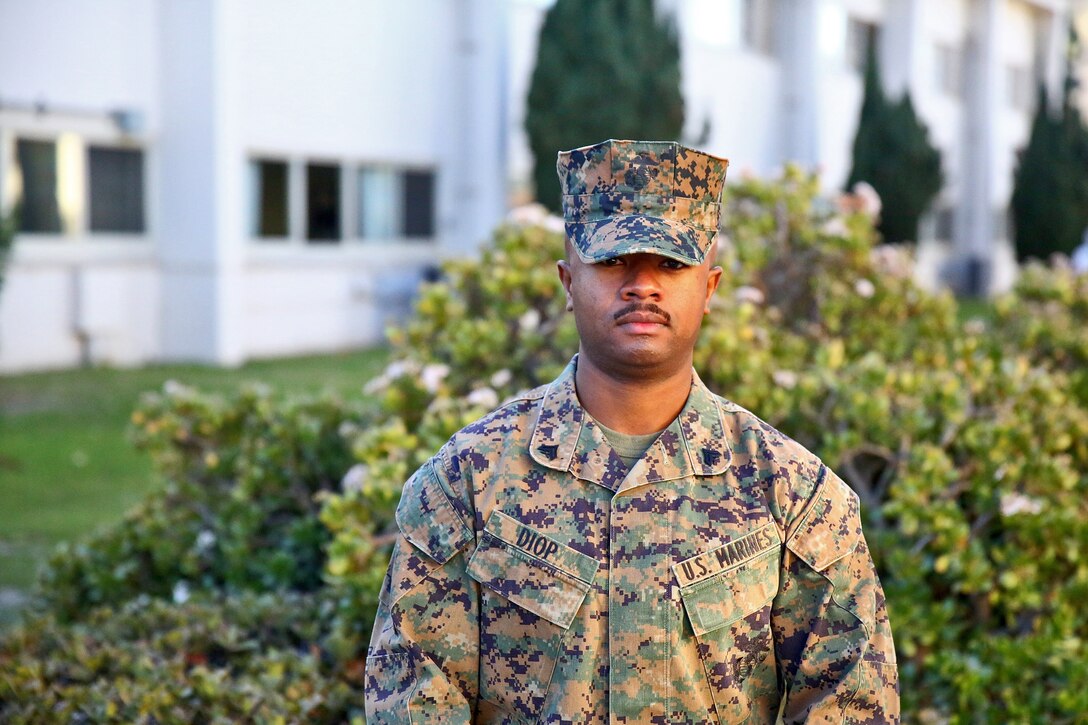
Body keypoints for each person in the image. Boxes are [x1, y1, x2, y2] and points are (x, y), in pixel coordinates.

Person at [365, 139, 899, 723]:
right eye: (614, 261)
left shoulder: (793, 492)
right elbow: (415, 701)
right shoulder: (468, 480)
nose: (642, 284)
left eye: (671, 264)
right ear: (569, 283)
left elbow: (850, 702)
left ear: (710, 288)